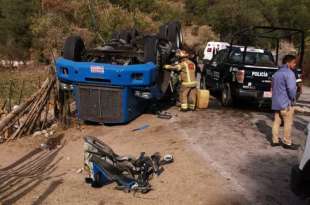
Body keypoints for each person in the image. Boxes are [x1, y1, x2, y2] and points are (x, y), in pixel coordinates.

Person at [271, 54, 299, 150]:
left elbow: (273, 88)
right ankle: (287, 142)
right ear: (289, 63)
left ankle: (275, 140)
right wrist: (293, 99)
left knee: (276, 122)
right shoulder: (289, 73)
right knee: (288, 123)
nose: (295, 64)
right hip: (286, 103)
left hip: (276, 103)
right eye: (294, 62)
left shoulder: (276, 73)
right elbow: (291, 89)